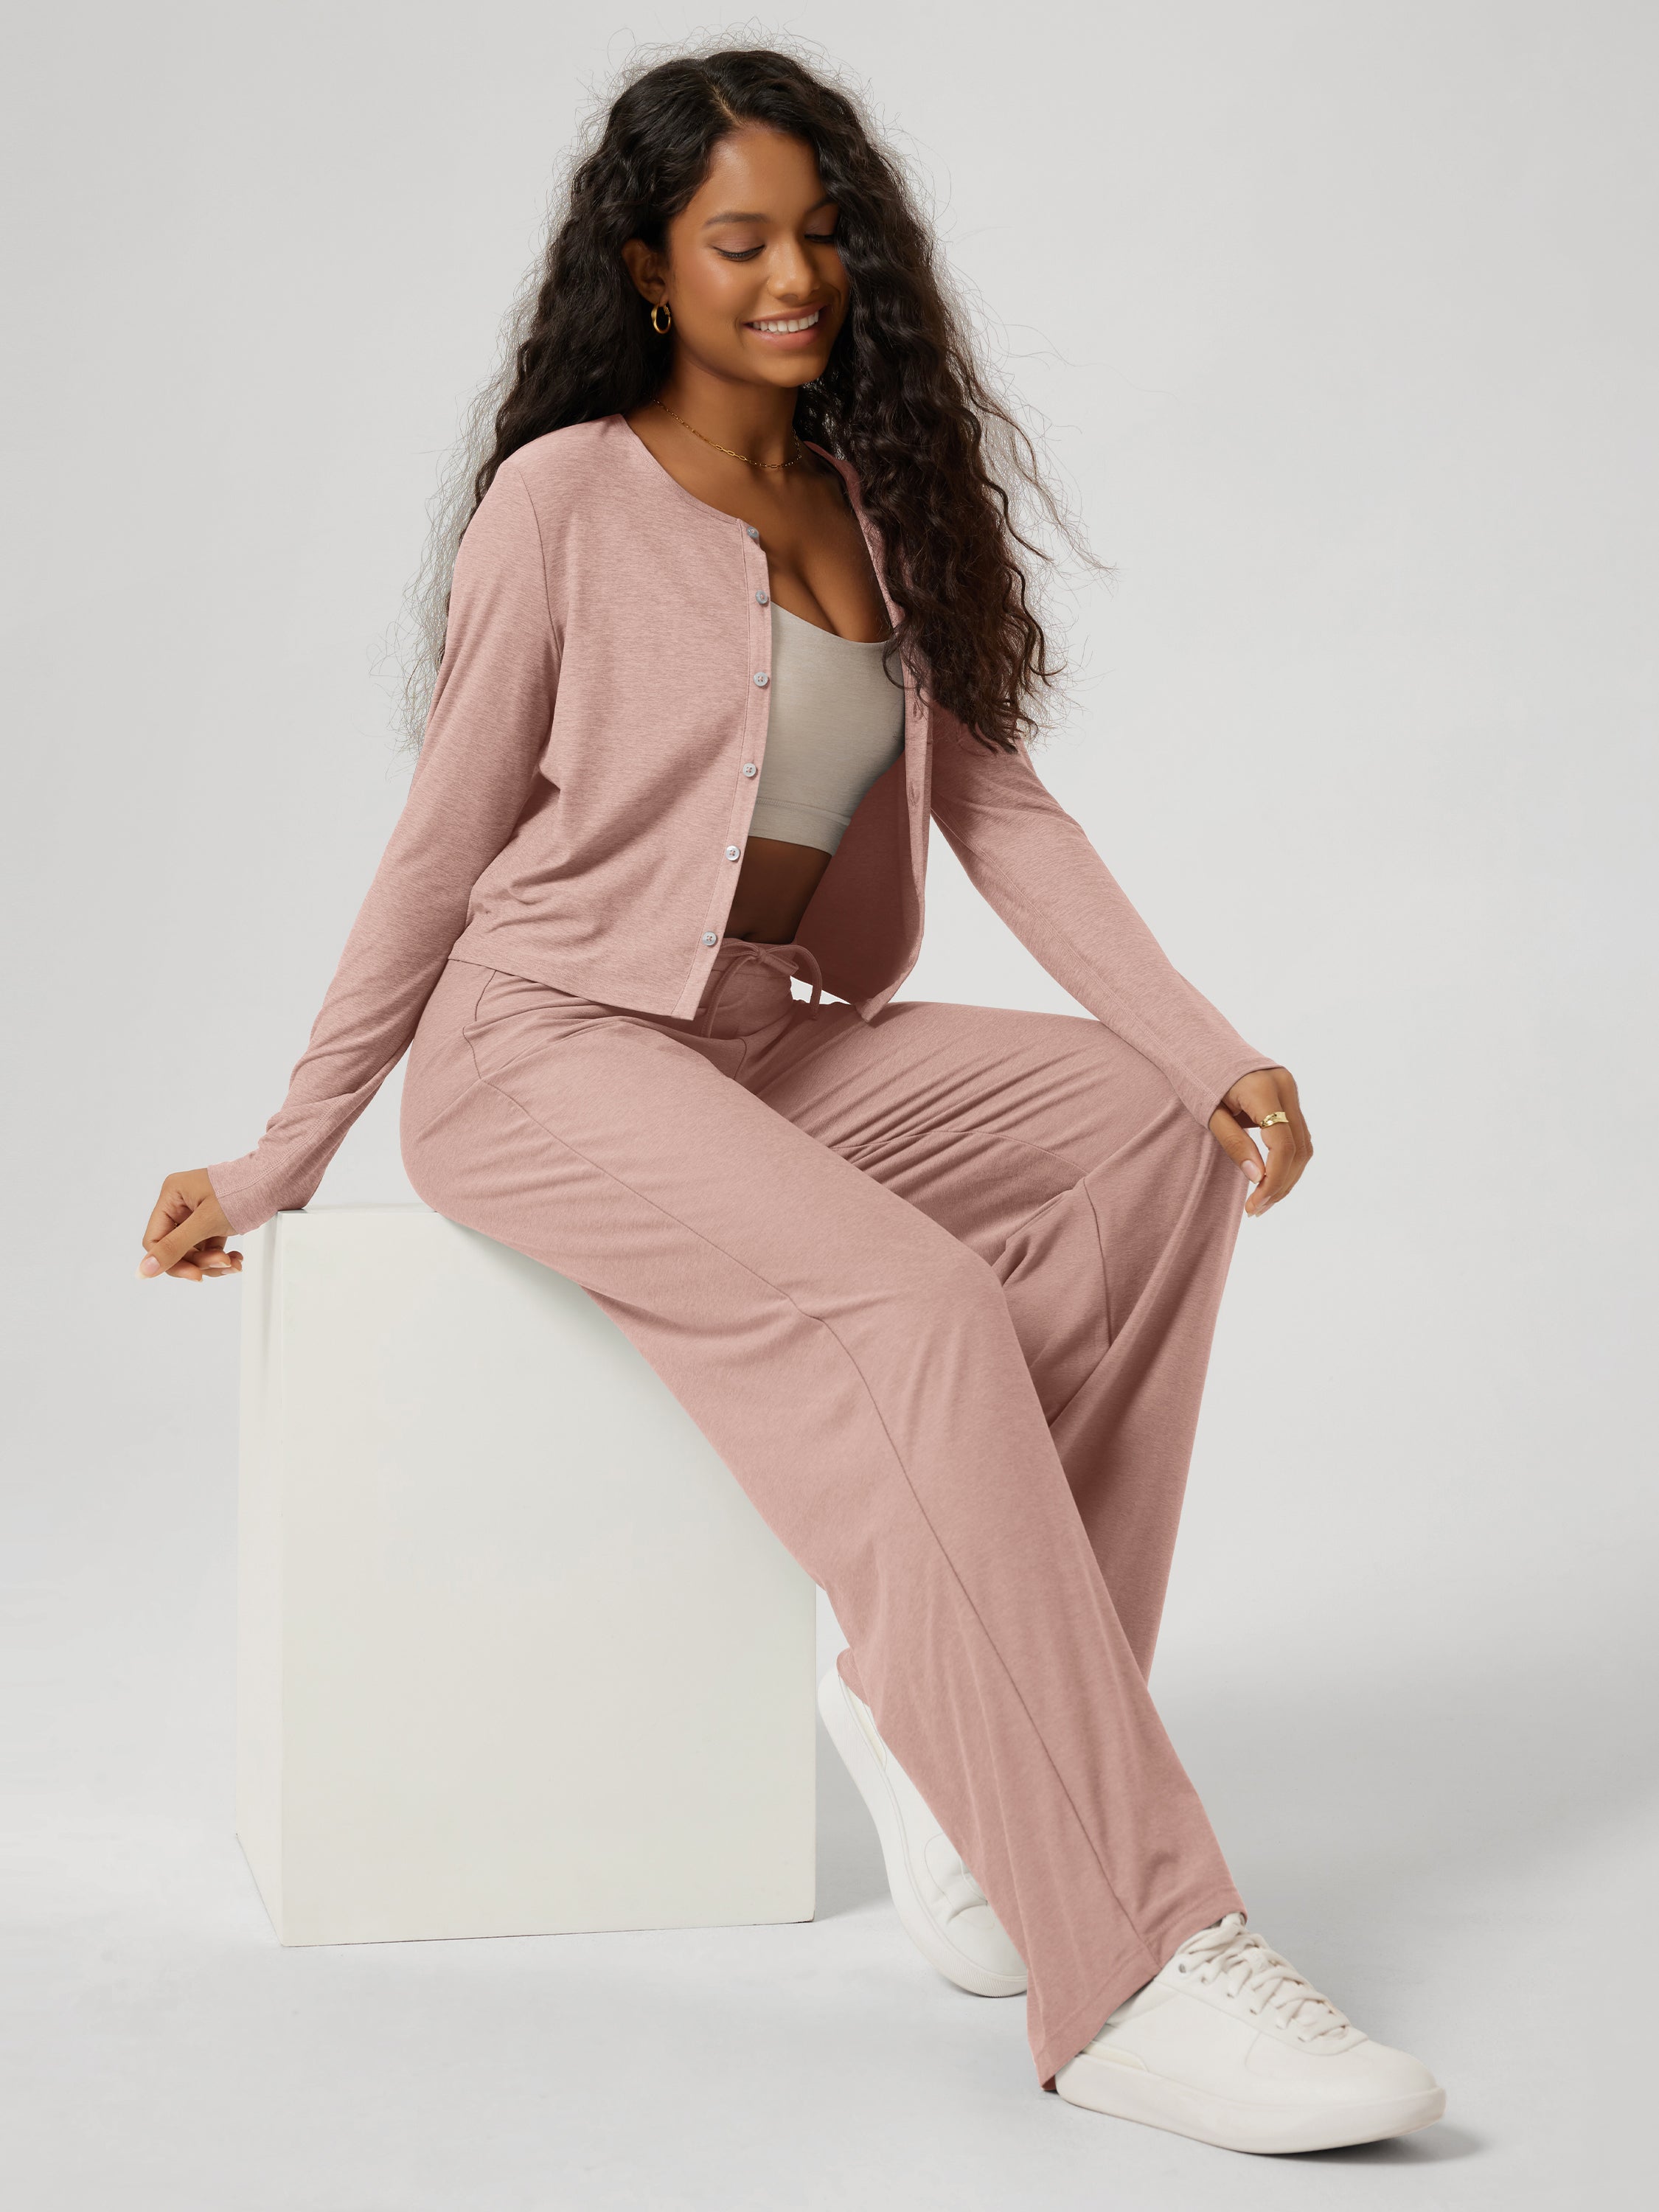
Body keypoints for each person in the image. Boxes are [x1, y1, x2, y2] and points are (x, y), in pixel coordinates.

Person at [136, 46, 1444, 2157]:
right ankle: (1133, 1963)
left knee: (1140, 1139)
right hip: (546, 1048)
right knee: (918, 1304)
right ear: (645, 267)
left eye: (822, 234)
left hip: (772, 1037)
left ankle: (958, 1726)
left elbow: (998, 812)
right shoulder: (564, 499)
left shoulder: (872, 497)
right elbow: (441, 844)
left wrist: (1211, 1052)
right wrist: (287, 1149)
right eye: (738, 239)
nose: (794, 277)